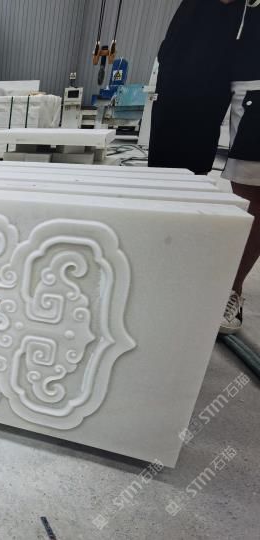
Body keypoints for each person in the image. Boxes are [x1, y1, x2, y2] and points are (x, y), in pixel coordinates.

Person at [149, 0, 259, 334]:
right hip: (205, 21)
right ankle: (162, 268)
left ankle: (231, 288)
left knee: (254, 177)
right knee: (172, 167)